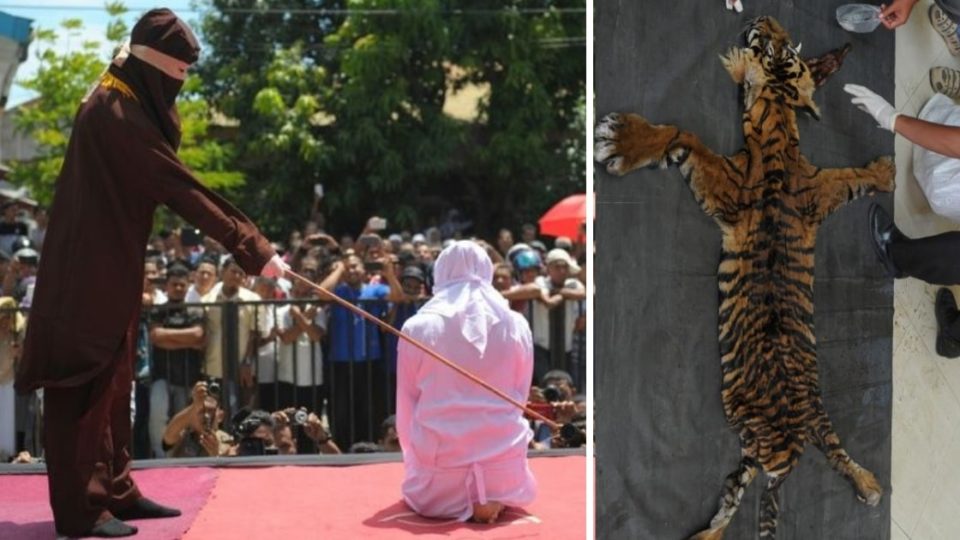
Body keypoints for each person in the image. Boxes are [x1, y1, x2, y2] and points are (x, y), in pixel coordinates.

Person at [13, 10, 288, 538]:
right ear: (156, 71)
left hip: (110, 269)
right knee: (84, 389)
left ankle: (117, 490)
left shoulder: (126, 98)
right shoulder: (114, 113)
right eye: (176, 78)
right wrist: (251, 247)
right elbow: (178, 185)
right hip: (85, 274)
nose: (178, 91)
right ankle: (81, 511)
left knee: (115, 386)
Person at [396, 241, 537, 523]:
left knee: (425, 489)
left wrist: (414, 461)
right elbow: (519, 397)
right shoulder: (517, 324)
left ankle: (462, 500)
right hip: (506, 471)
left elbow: (406, 405)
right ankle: (491, 497)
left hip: (438, 480)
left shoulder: (417, 327)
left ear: (440, 272)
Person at [0, 297, 23, 462]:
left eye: (8, 319)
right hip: (3, 382)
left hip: (8, 385)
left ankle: (7, 453)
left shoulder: (14, 340)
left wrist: (18, 354)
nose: (5, 323)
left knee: (8, 421)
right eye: (3, 318)